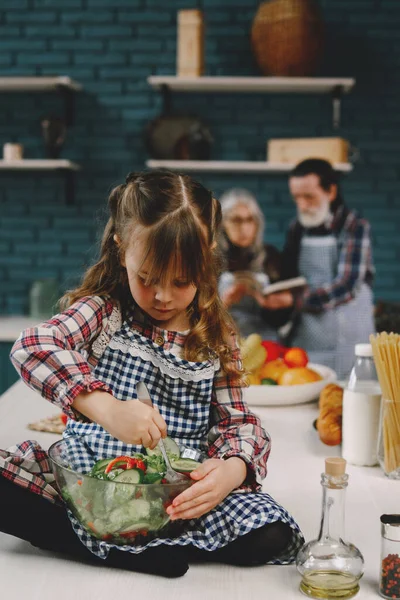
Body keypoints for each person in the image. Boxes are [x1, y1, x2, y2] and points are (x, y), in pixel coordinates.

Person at [1, 171, 303, 578]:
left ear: (207, 256)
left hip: (175, 501)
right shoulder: (103, 312)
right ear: (121, 247)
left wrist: (231, 471)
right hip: (87, 486)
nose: (163, 296)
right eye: (147, 278)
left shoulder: (216, 338)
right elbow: (33, 347)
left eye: (182, 281)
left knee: (273, 533)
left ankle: (114, 542)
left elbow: (240, 424)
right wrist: (107, 409)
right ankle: (127, 549)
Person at [262, 159, 375, 379]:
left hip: (349, 342)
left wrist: (293, 300)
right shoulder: (297, 228)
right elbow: (290, 276)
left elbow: (346, 286)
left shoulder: (355, 227)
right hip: (309, 341)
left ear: (331, 192)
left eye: (309, 197)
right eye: (297, 198)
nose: (302, 205)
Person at [218, 188, 283, 340]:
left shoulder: (270, 256)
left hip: (266, 339)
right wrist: (224, 302)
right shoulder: (209, 259)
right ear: (222, 223)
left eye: (250, 220)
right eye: (236, 220)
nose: (244, 228)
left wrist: (268, 303)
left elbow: (281, 320)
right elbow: (194, 319)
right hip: (223, 339)